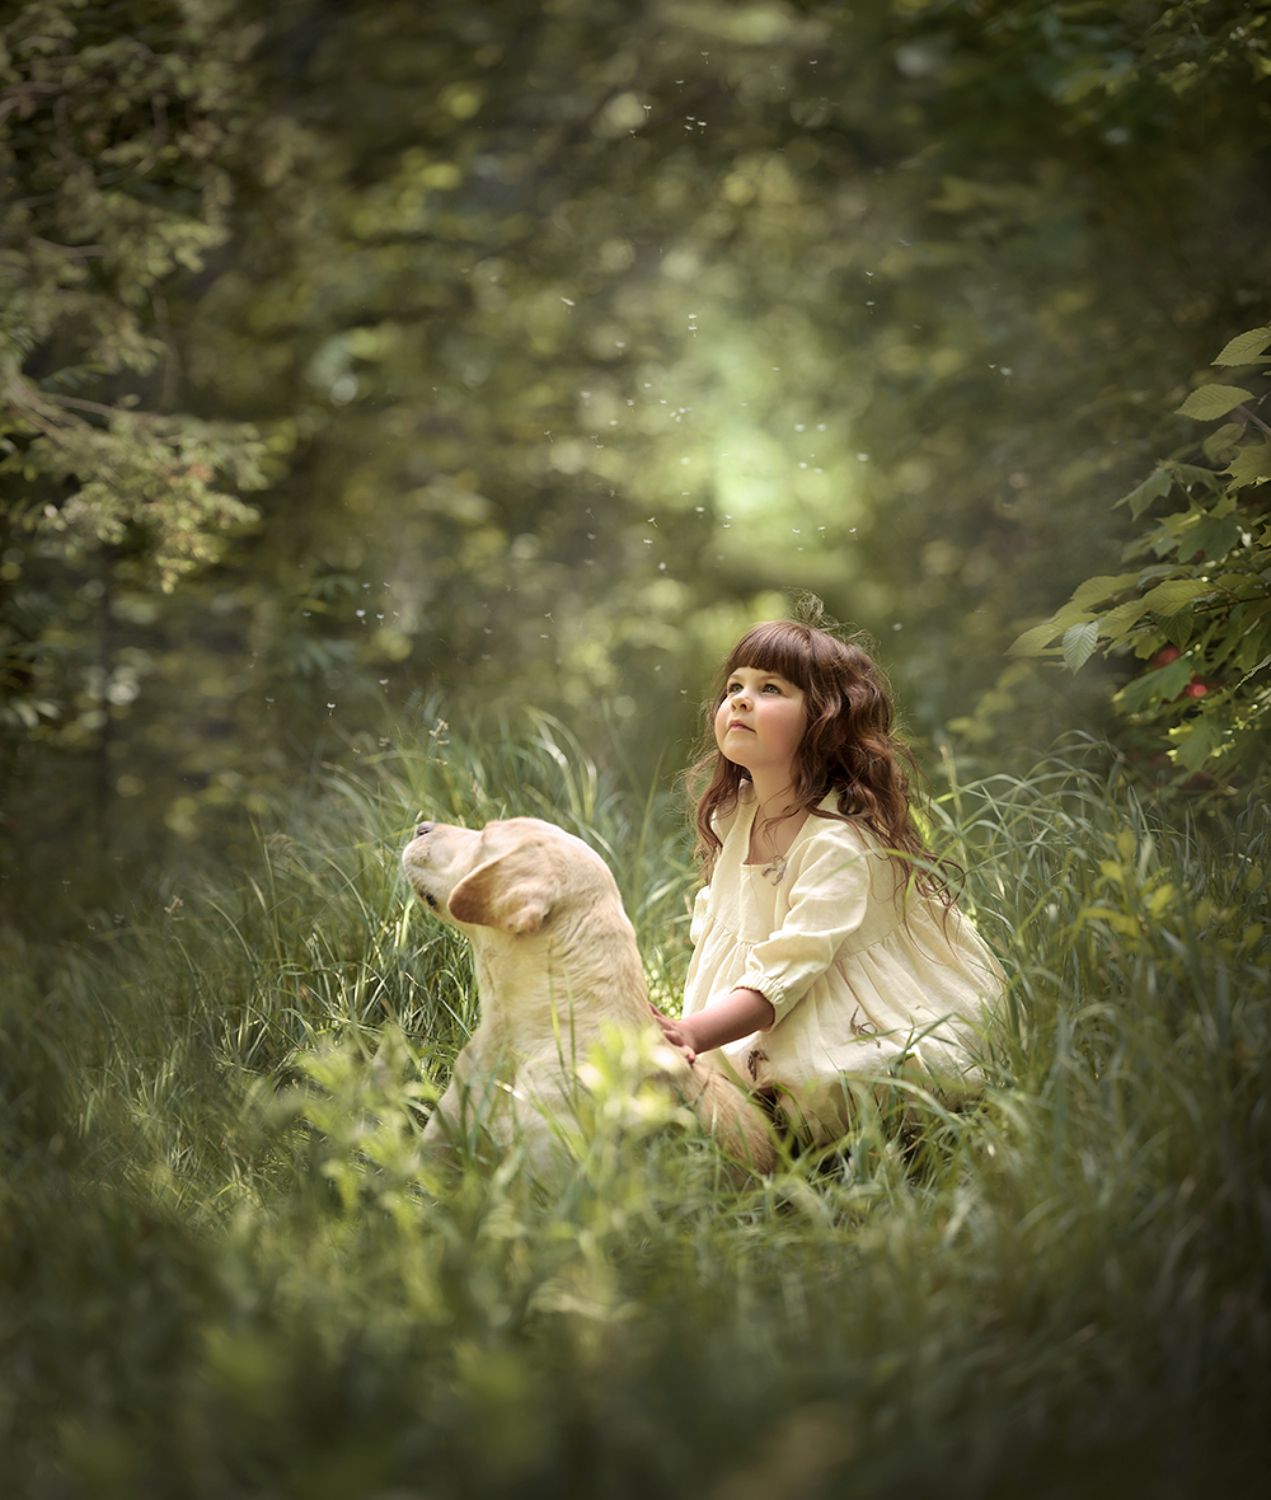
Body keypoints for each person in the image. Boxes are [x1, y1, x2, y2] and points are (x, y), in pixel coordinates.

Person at [653, 612, 1004, 1149]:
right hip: (766, 987)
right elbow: (730, 920)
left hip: (838, 996)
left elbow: (793, 964)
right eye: (734, 687)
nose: (741, 700)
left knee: (829, 1089)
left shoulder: (837, 842)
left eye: (770, 689)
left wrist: (693, 1032)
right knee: (723, 1083)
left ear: (823, 720)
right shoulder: (737, 812)